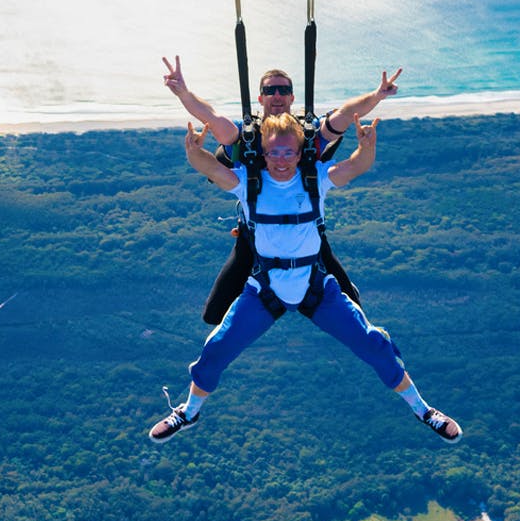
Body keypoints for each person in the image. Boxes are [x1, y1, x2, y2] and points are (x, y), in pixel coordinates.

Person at [148, 113, 461, 443]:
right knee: (216, 350)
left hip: (314, 285)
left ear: (299, 153)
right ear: (264, 155)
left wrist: (367, 147)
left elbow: (355, 167)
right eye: (273, 153)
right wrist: (193, 150)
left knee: (374, 346)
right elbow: (210, 168)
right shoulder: (248, 183)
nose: (281, 160)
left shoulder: (316, 179)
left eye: (288, 152)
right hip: (266, 287)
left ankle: (423, 410)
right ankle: (188, 412)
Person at [162, 58, 401, 323]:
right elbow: (211, 117)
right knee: (214, 314)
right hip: (253, 235)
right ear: (260, 98)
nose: (277, 95)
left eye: (283, 90)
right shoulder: (244, 136)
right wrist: (184, 93)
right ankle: (260, 294)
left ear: (292, 97)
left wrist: (377, 96)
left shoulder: (308, 136)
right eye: (270, 90)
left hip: (305, 233)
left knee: (354, 311)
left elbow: (345, 115)